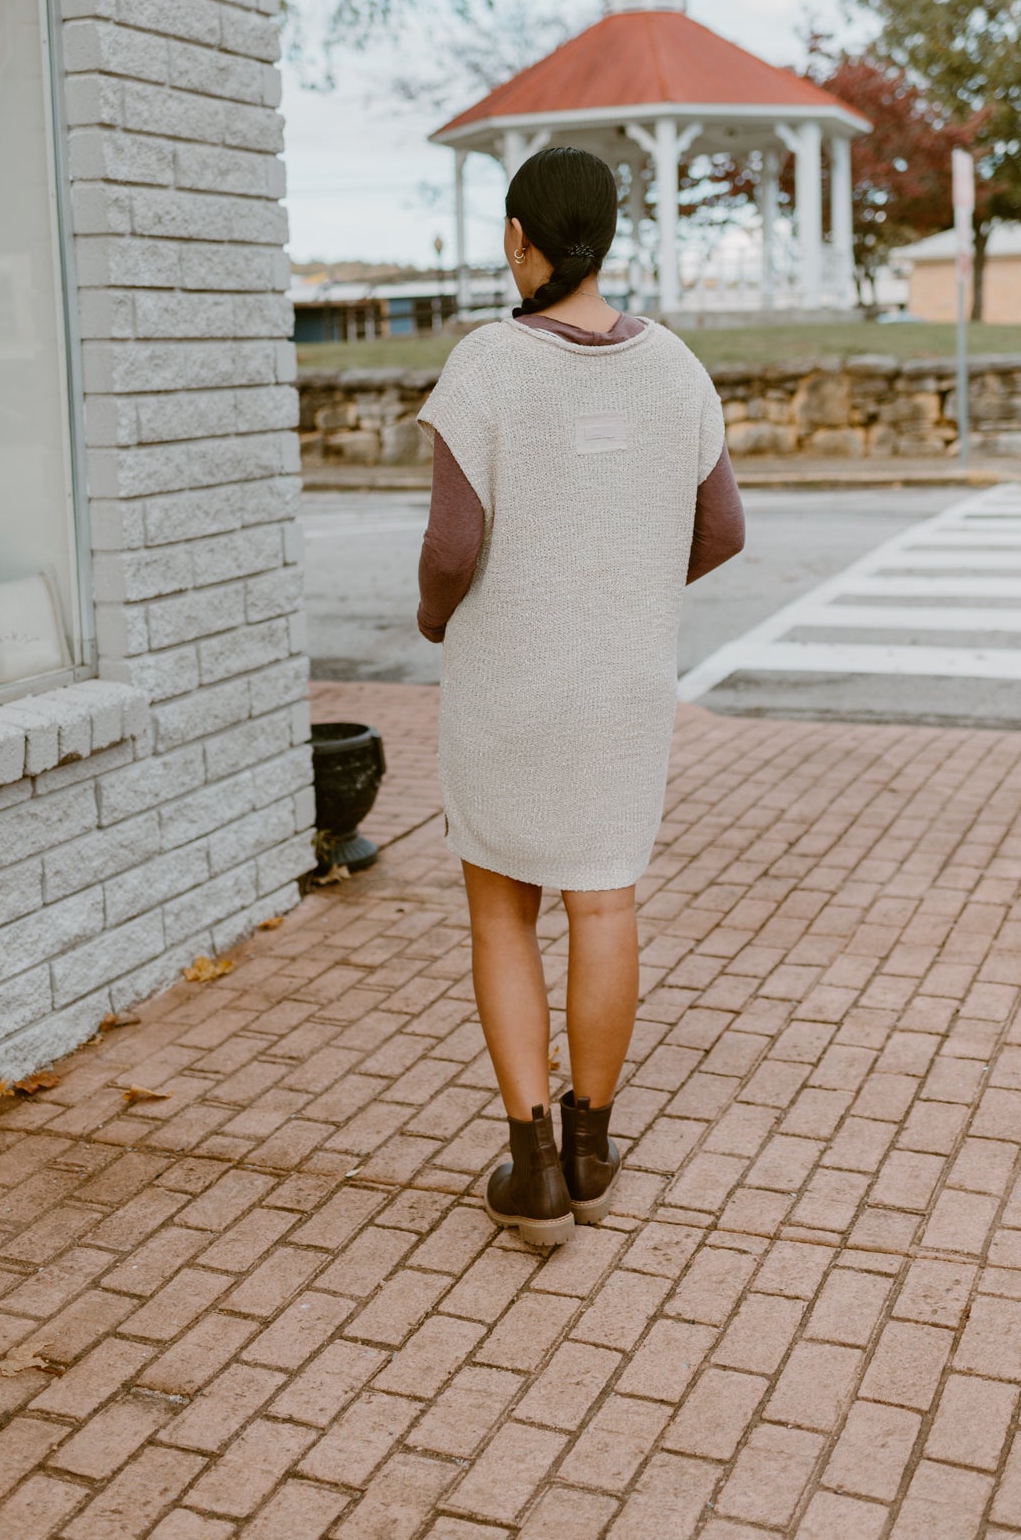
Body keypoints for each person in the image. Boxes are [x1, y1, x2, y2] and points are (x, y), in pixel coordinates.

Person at [416, 145, 745, 1245]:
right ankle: (593, 1145)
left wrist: (431, 616)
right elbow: (724, 530)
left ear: (519, 237)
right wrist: (632, 593)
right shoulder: (675, 366)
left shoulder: (485, 366)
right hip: (623, 687)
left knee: (501, 910)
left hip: (508, 681)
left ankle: (531, 1167)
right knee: (604, 899)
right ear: (606, 234)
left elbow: (452, 547)